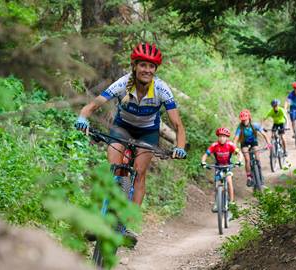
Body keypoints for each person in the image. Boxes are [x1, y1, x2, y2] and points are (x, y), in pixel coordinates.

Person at [75, 42, 187, 241]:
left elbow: (177, 125)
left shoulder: (162, 89)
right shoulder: (122, 84)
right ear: (134, 66)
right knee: (113, 169)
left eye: (151, 66)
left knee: (140, 172)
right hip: (122, 128)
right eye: (143, 65)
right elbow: (92, 106)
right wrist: (83, 118)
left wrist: (179, 147)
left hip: (148, 132)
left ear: (155, 70)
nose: (147, 70)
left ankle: (125, 225)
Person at [201, 127, 243, 212]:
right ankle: (217, 203)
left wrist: (239, 161)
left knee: (229, 180)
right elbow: (205, 154)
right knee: (217, 184)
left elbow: (239, 153)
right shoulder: (214, 145)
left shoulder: (230, 145)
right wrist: (203, 162)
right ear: (218, 137)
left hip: (227, 166)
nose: (222, 138)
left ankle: (231, 202)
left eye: (224, 136)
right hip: (218, 166)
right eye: (220, 136)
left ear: (227, 137)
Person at [232, 109, 271, 187]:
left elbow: (264, 134)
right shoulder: (240, 127)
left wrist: (269, 143)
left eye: (245, 120)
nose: (244, 121)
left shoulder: (255, 125)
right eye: (242, 120)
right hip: (244, 143)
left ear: (249, 118)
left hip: (253, 141)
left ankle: (259, 173)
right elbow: (235, 139)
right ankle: (249, 177)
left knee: (257, 156)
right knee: (247, 159)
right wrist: (234, 148)